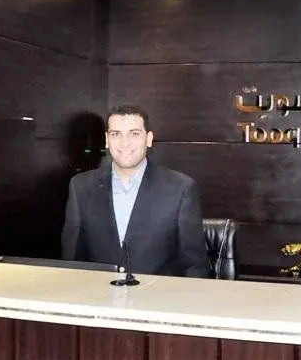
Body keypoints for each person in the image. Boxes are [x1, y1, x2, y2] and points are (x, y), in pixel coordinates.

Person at [62, 105, 209, 277]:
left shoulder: (181, 189)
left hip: (158, 293)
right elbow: (71, 262)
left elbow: (195, 267)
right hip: (99, 293)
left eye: (134, 134)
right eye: (116, 134)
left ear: (149, 139)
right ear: (107, 140)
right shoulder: (81, 187)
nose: (125, 143)